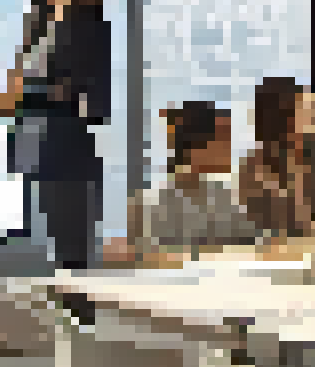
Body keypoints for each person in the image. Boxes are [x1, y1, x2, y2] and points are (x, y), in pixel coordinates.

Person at [0, 0, 111, 270]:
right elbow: (23, 79)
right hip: (28, 153)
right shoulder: (38, 18)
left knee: (70, 261)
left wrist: (25, 98)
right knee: (33, 261)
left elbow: (92, 99)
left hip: (66, 157)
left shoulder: (90, 22)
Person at [107, 102, 261, 267]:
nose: (229, 148)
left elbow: (252, 245)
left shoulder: (222, 197)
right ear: (197, 147)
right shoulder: (149, 204)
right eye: (224, 139)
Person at [239, 76, 315, 241]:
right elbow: (293, 227)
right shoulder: (254, 169)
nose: (312, 121)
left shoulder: (312, 164)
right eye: (304, 113)